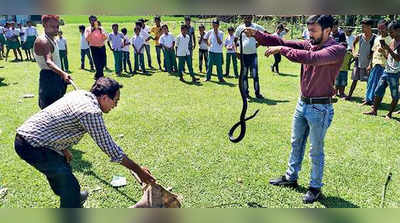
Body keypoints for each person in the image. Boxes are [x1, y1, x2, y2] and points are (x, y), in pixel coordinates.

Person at [245, 15, 346, 204]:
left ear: (328, 30)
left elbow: (312, 59)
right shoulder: (310, 43)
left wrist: (282, 50)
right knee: (296, 142)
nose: (310, 34)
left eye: (314, 30)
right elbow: (281, 40)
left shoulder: (337, 49)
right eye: (309, 30)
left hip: (321, 107)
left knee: (316, 150)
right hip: (303, 103)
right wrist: (257, 34)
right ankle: (291, 177)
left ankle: (315, 188)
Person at [15, 77, 156, 208]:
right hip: (31, 144)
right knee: (68, 183)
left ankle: (74, 198)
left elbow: (57, 124)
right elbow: (111, 149)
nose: (116, 105)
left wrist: (63, 149)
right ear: (105, 98)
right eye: (116, 101)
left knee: (61, 170)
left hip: (31, 139)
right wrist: (138, 170)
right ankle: (72, 201)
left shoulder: (80, 94)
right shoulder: (90, 112)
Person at [33, 15, 72, 109]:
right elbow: (49, 62)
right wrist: (63, 74)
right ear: (44, 25)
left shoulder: (52, 39)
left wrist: (61, 76)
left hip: (55, 76)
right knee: (49, 110)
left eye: (57, 26)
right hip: (49, 78)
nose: (56, 29)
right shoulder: (43, 41)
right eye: (52, 27)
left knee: (58, 108)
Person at [363, 21, 400, 119]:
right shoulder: (392, 41)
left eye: (392, 32)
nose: (390, 34)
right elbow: (389, 57)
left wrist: (388, 48)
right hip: (386, 71)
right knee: (378, 90)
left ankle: (389, 114)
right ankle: (374, 110)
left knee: (394, 95)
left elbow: (398, 58)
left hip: (395, 73)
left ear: (398, 30)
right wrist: (384, 51)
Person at [234, 15, 265, 98]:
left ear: (251, 18)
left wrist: (259, 43)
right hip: (243, 55)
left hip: (253, 55)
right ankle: (246, 93)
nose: (246, 19)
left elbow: (265, 33)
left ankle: (257, 93)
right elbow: (235, 40)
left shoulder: (255, 27)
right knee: (244, 75)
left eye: (248, 17)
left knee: (255, 75)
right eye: (245, 17)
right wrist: (236, 51)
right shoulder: (240, 28)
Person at [346, 18, 376, 101]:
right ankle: (349, 95)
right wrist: (354, 53)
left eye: (364, 27)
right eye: (362, 26)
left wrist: (371, 61)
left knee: (368, 81)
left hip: (368, 63)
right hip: (358, 62)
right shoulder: (359, 36)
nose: (362, 28)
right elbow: (353, 45)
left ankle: (367, 98)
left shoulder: (375, 38)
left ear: (369, 27)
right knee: (354, 80)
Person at [363, 20, 391, 105]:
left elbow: (391, 56)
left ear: (387, 28)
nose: (381, 30)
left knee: (378, 85)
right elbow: (373, 52)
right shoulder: (377, 38)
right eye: (379, 28)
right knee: (370, 82)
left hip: (384, 65)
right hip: (375, 64)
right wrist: (369, 64)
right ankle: (368, 99)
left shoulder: (390, 40)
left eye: (383, 28)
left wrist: (383, 52)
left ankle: (375, 102)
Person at [331, 19, 350, 98]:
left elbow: (344, 45)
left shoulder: (341, 34)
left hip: (340, 59)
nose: (333, 28)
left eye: (335, 26)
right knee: (334, 76)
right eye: (332, 26)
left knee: (342, 75)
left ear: (337, 26)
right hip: (331, 58)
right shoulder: (329, 34)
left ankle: (341, 93)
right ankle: (334, 92)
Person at [85, 15, 108, 79]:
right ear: (89, 21)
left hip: (102, 47)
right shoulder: (88, 29)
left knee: (103, 63)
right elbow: (87, 39)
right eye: (91, 20)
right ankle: (100, 76)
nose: (93, 21)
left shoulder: (101, 28)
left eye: (94, 20)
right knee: (97, 63)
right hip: (94, 48)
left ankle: (97, 75)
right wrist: (92, 31)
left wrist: (101, 32)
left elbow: (105, 38)